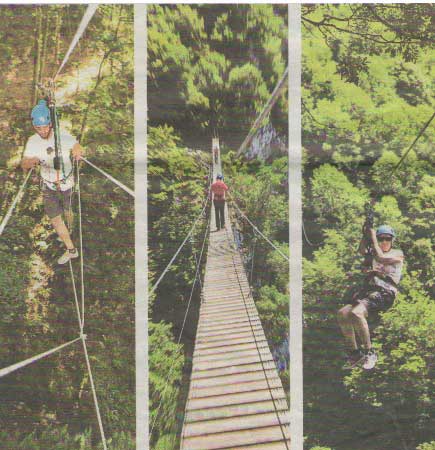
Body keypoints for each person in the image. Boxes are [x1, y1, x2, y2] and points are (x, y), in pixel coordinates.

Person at [21, 99, 84, 265]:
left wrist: (77, 151)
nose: (42, 131)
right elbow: (24, 164)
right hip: (48, 185)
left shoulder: (62, 136)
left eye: (45, 127)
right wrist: (31, 161)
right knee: (55, 218)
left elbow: (76, 146)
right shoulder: (32, 141)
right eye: (38, 128)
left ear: (50, 123)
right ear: (34, 126)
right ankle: (71, 249)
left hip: (66, 183)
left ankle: (70, 229)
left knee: (68, 211)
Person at [337, 225, 404, 370]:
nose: (384, 242)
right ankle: (355, 353)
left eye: (388, 239)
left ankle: (370, 352)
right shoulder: (374, 250)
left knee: (357, 313)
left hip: (386, 292)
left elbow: (382, 257)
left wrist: (373, 237)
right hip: (371, 290)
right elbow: (362, 250)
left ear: (392, 240)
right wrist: (365, 234)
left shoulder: (397, 254)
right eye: (381, 239)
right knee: (343, 313)